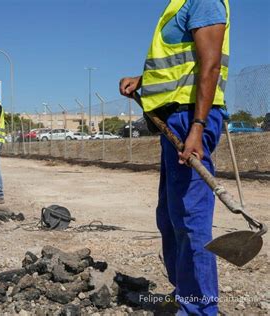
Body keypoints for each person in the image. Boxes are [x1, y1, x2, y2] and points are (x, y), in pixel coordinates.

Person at [119, 0, 229, 314]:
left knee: (191, 220)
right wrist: (142, 81)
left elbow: (210, 64)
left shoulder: (204, 1)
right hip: (174, 121)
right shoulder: (177, 4)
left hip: (190, 118)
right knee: (170, 216)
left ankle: (199, 308)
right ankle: (186, 295)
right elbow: (184, 64)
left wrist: (197, 126)